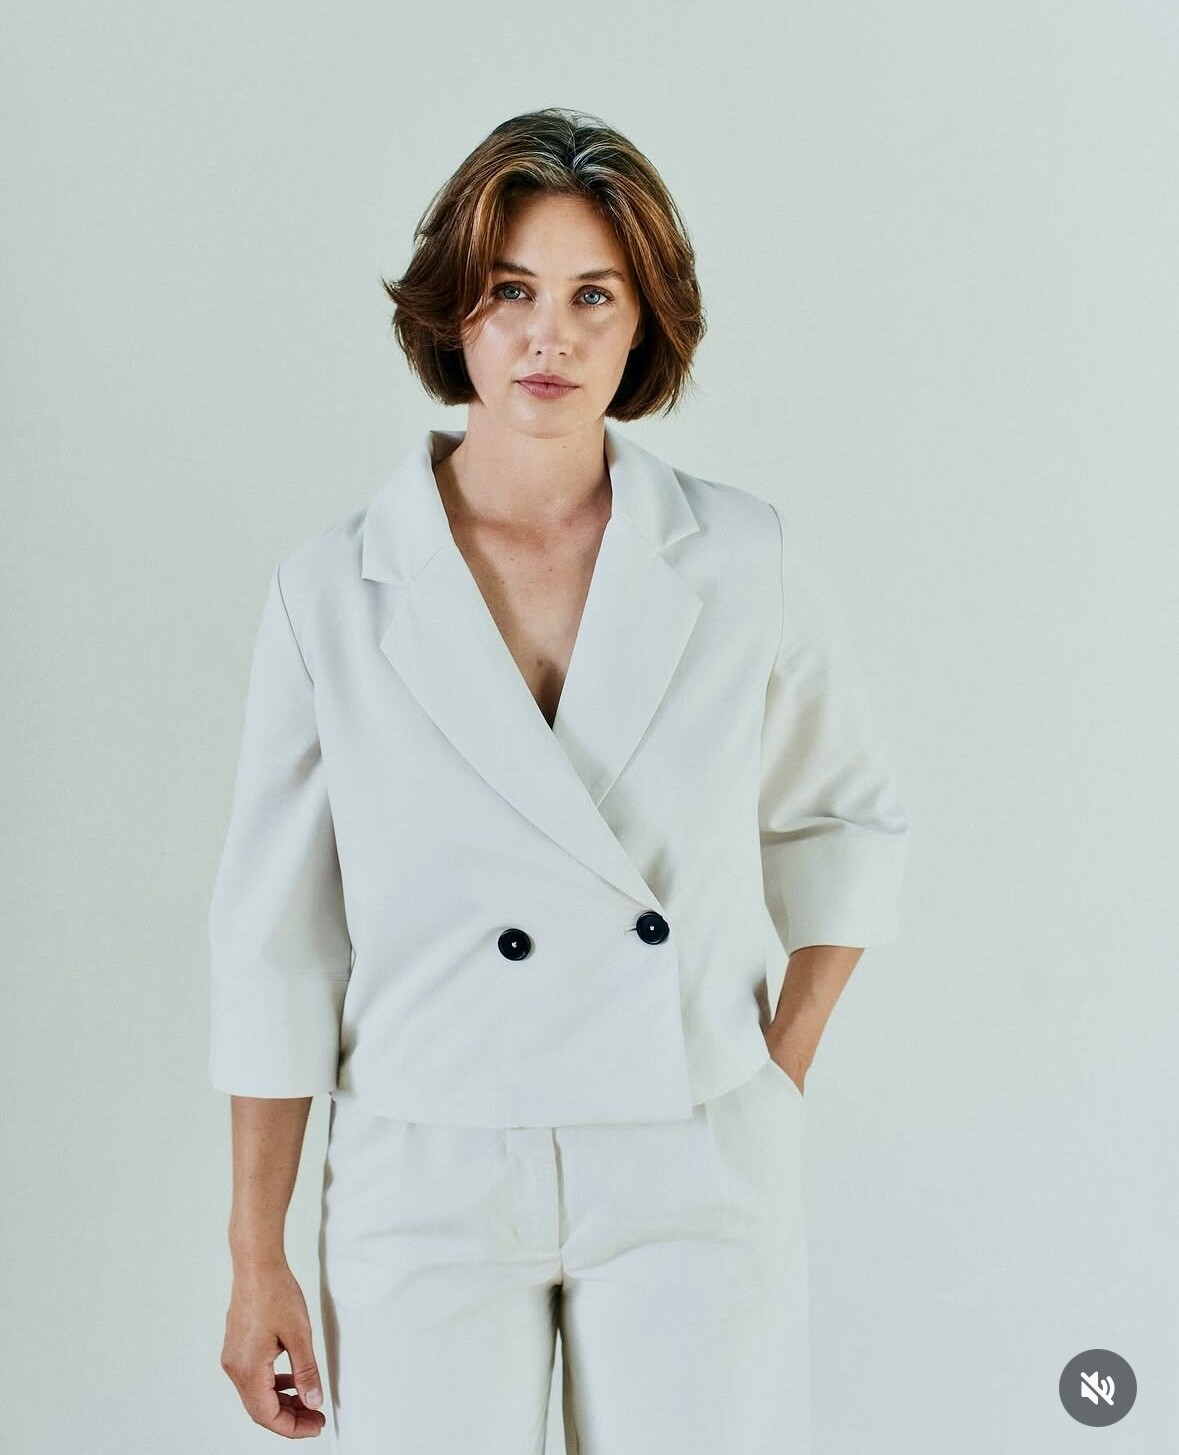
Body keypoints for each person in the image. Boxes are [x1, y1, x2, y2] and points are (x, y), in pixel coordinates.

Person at [209, 106, 910, 1454]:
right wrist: (257, 1254)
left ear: (644, 324)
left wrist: (774, 1080)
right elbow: (275, 943)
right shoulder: (331, 592)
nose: (551, 336)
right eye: (511, 290)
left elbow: (844, 821)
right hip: (426, 1157)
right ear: (454, 313)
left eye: (595, 295)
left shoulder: (743, 558)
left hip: (690, 1147)